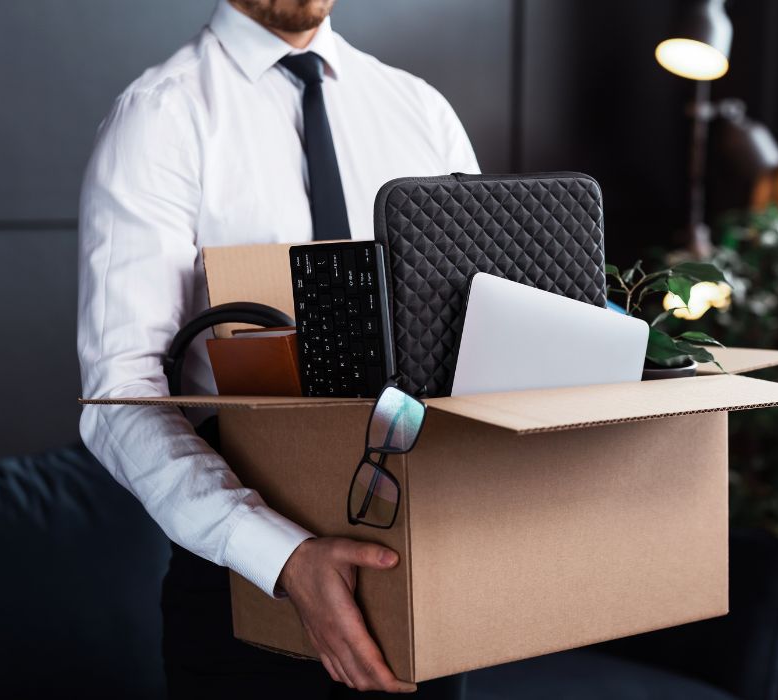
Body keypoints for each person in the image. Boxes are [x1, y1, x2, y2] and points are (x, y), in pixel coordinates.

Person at [77, 0, 478, 697]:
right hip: (248, 591)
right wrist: (280, 555)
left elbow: (479, 336)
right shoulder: (159, 117)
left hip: (425, 577)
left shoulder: (421, 110)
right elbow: (120, 395)